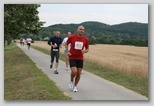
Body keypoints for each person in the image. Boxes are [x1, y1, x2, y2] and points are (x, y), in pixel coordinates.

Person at [65, 25, 89, 92]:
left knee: (78, 73)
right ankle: (71, 80)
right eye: (80, 29)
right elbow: (66, 44)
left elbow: (87, 49)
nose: (82, 31)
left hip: (80, 58)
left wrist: (84, 51)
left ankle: (75, 86)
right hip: (72, 57)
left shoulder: (85, 39)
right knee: (74, 71)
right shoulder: (72, 37)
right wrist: (67, 51)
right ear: (77, 30)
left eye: (83, 30)